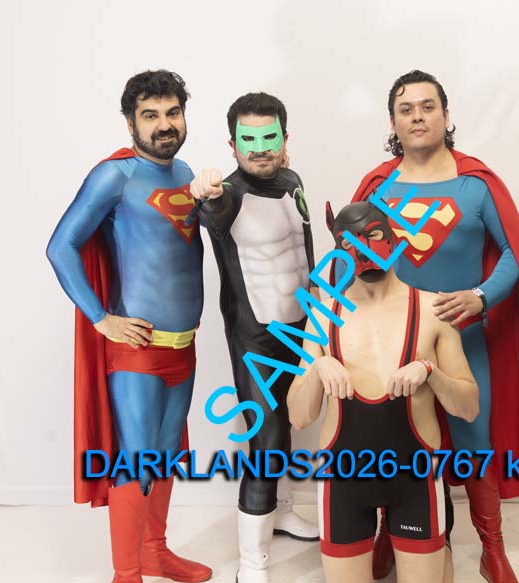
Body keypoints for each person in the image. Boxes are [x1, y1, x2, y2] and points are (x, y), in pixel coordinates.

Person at [347, 70, 519, 582]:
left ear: (446, 115)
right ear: (393, 123)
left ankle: (492, 549)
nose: (418, 117)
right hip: (395, 342)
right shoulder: (379, 187)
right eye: (406, 109)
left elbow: (513, 254)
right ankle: (390, 534)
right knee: (391, 441)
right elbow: (351, 256)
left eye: (428, 106)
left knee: (473, 442)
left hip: (462, 341)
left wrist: (480, 296)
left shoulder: (477, 185)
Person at [46, 70, 211, 583]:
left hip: (183, 348)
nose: (164, 125)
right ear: (130, 123)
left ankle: (154, 551)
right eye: (150, 115)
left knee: (166, 455)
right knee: (137, 459)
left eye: (172, 113)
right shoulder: (113, 176)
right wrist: (101, 318)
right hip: (137, 351)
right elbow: (60, 245)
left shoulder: (186, 172)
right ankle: (126, 573)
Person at [288, 201, 480, 583]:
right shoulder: (323, 315)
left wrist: (430, 372)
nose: (365, 251)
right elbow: (299, 416)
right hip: (344, 480)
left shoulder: (432, 309)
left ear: (393, 238)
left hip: (415, 478)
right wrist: (318, 369)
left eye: (374, 236)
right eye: (351, 244)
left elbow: (469, 407)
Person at [193, 92, 319, 583]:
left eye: (270, 137)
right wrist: (205, 191)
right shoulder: (227, 196)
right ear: (232, 144)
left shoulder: (293, 179)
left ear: (285, 139)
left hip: (302, 327)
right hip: (256, 339)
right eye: (249, 139)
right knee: (266, 441)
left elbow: (304, 249)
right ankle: (252, 563)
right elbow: (212, 211)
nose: (261, 147)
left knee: (291, 426)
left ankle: (282, 510)